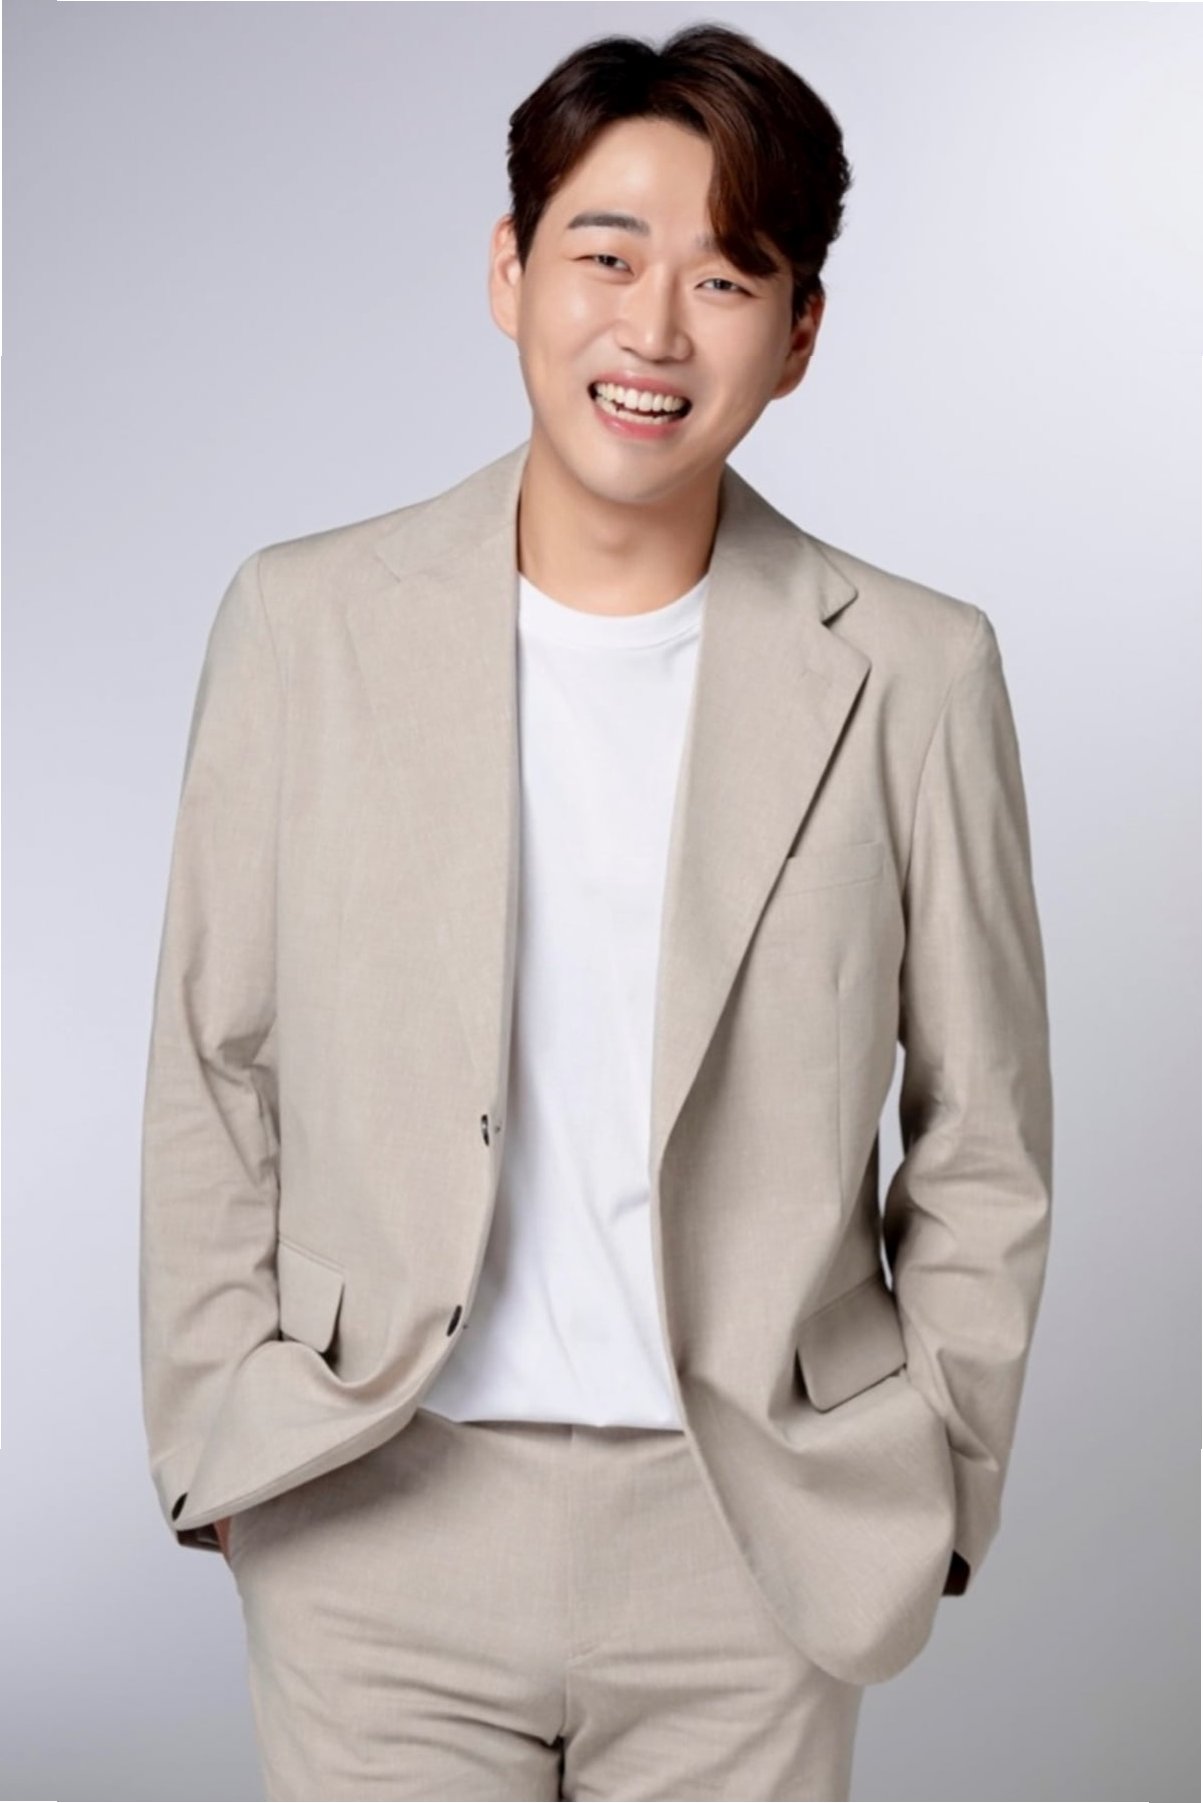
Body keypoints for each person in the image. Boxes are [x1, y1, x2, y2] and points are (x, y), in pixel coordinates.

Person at [140, 23, 1053, 1802]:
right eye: (608, 256)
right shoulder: (303, 626)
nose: (654, 330)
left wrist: (931, 1477)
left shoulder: (917, 674)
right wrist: (225, 1428)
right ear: (510, 271)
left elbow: (985, 1131)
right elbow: (211, 1063)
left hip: (754, 1540)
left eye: (727, 278)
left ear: (799, 333)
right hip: (372, 1508)